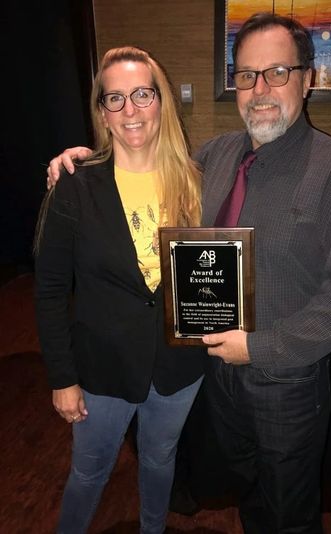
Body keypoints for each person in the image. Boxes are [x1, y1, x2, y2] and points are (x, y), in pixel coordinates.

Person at [46, 13, 331, 534]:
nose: (261, 89)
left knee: (290, 508)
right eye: (247, 76)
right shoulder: (217, 155)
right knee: (247, 491)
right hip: (215, 376)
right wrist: (83, 159)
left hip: (284, 382)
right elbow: (139, 160)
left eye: (277, 72)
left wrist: (260, 347)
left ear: (308, 78)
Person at [35, 45, 204, 534]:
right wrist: (62, 379)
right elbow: (48, 291)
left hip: (178, 365)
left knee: (159, 460)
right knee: (89, 471)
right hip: (101, 369)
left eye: (142, 94)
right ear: (102, 113)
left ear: (161, 101)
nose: (130, 110)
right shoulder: (75, 186)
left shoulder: (196, 180)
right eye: (115, 99)